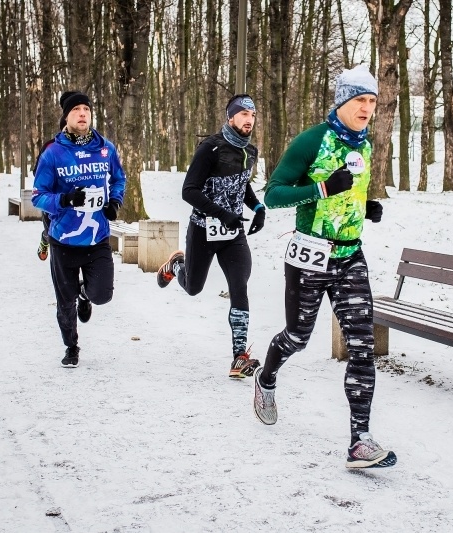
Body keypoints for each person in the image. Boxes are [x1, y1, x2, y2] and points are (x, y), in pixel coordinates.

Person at [252, 65, 395, 469]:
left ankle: (360, 441)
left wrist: (364, 208)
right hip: (310, 255)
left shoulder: (364, 145)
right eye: (360, 100)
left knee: (363, 346)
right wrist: (322, 189)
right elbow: (273, 195)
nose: (367, 108)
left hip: (350, 255)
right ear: (342, 101)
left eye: (372, 101)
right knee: (297, 337)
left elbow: (348, 193)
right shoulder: (312, 140)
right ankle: (267, 377)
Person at [156, 94, 267, 379]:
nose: (248, 120)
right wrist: (221, 213)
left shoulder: (250, 151)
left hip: (233, 234)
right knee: (193, 288)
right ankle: (176, 265)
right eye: (243, 114)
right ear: (231, 117)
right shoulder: (210, 148)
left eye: (252, 115)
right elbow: (188, 191)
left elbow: (242, 187)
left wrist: (257, 208)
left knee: (239, 285)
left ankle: (239, 357)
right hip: (203, 230)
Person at [32, 91, 126, 368]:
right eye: (76, 110)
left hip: (97, 237)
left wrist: (115, 202)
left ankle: (86, 295)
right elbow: (38, 195)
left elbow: (119, 179)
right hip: (63, 238)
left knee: (103, 295)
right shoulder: (53, 153)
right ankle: (71, 346)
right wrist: (65, 200)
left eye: (86, 109)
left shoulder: (105, 148)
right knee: (65, 301)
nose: (83, 113)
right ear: (66, 116)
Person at [34, 114, 68, 261]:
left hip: (78, 203)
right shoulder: (50, 147)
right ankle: (45, 237)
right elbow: (37, 172)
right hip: (53, 200)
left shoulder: (88, 148)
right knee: (53, 234)